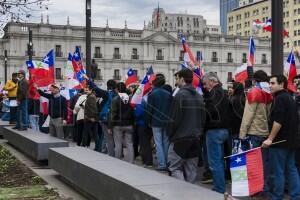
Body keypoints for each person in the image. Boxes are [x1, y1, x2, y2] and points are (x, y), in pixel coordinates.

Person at [263, 75, 300, 200]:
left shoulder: (280, 99)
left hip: (279, 142)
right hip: (291, 141)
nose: (270, 85)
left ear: (281, 84)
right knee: (291, 169)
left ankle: (277, 197)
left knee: (277, 171)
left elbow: (278, 121)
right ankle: (295, 196)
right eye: (270, 83)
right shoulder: (290, 98)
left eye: (273, 83)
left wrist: (270, 139)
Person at [167, 68, 205, 183]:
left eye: (177, 78)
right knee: (191, 170)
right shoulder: (199, 96)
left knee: (173, 168)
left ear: (182, 79)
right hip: (195, 138)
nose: (176, 81)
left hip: (180, 139)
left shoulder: (180, 95)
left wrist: (171, 135)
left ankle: (182, 193)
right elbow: (203, 118)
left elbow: (174, 118)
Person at [203, 72, 230, 194]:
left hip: (214, 130)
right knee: (219, 160)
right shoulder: (223, 92)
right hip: (224, 129)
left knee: (215, 162)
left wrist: (203, 112)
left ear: (212, 81)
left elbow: (211, 110)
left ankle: (219, 189)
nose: (204, 86)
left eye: (205, 83)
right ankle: (220, 186)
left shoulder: (214, 93)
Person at [85, 74, 117, 156]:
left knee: (107, 137)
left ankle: (110, 154)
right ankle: (115, 153)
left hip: (106, 118)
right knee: (115, 137)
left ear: (108, 86)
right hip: (116, 118)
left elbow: (96, 88)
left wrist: (88, 79)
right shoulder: (118, 94)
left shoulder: (107, 94)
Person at [147, 74, 173, 171]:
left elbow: (149, 110)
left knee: (158, 143)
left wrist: (149, 121)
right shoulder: (168, 94)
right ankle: (167, 163)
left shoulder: (152, 94)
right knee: (166, 142)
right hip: (166, 121)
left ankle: (162, 164)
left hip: (155, 121)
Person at [108, 82, 134, 163]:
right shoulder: (131, 98)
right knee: (129, 143)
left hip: (118, 124)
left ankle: (118, 161)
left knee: (118, 143)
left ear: (117, 89)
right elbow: (133, 112)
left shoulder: (115, 99)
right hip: (129, 124)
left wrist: (110, 126)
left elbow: (113, 114)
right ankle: (131, 161)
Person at [82, 86, 99, 151]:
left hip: (90, 118)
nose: (86, 91)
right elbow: (91, 108)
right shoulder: (91, 96)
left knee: (86, 133)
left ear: (91, 90)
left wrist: (91, 117)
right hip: (92, 118)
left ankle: (83, 147)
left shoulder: (91, 97)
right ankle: (97, 147)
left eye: (87, 90)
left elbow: (93, 109)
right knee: (94, 134)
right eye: (85, 89)